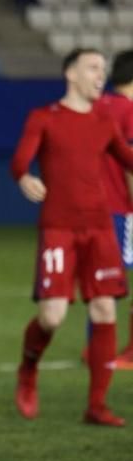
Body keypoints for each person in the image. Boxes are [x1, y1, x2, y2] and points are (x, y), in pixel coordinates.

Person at [13, 48, 133, 428]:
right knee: (52, 316)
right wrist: (25, 177)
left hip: (99, 228)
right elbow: (20, 159)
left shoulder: (103, 120)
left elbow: (126, 157)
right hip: (59, 228)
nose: (101, 75)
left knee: (104, 310)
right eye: (93, 68)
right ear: (71, 74)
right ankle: (28, 369)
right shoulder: (44, 118)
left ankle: (96, 405)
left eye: (103, 69)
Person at [95, 50, 133, 368]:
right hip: (122, 207)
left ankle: (95, 348)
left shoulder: (97, 106)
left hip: (91, 206)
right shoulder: (129, 111)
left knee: (100, 281)